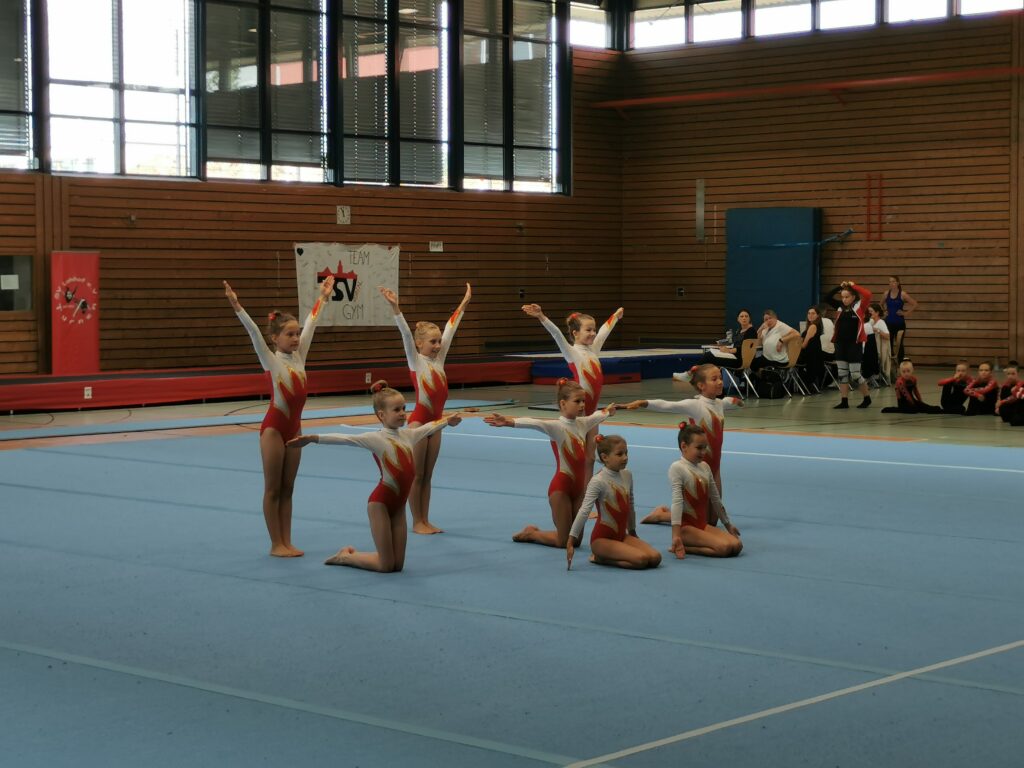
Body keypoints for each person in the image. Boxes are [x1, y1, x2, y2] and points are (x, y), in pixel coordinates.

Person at [288, 381, 462, 573]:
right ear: (381, 415)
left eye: (404, 408)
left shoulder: (409, 435)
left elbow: (429, 427)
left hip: (399, 508)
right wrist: (312, 438)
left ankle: (363, 556)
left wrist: (447, 421)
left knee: (397, 566)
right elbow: (344, 438)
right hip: (380, 504)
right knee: (385, 566)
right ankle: (346, 557)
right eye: (396, 410)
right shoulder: (375, 438)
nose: (402, 413)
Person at [224, 276, 334, 558]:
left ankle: (287, 540)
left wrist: (323, 297)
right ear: (275, 338)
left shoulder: (300, 356)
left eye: (297, 334)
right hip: (274, 429)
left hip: (294, 429)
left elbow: (312, 322)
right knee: (273, 489)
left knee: (288, 489)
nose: (296, 338)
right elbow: (253, 333)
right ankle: (276, 544)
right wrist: (237, 306)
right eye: (289, 334)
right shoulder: (271, 360)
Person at [378, 283, 472, 535]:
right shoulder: (416, 361)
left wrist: (464, 304)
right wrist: (396, 308)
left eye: (439, 341)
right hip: (420, 423)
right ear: (419, 344)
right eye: (433, 342)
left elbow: (451, 327)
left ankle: (425, 519)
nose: (438, 345)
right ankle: (416, 521)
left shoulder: (439, 360)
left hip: (437, 423)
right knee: (417, 475)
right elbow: (404, 334)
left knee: (428, 476)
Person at [483, 379, 614, 549]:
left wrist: (609, 411)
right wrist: (509, 422)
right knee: (563, 542)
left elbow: (597, 415)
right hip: (561, 489)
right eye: (577, 401)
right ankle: (531, 533)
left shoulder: (583, 423)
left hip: (579, 490)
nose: (582, 405)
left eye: (583, 401)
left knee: (575, 541)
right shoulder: (556, 427)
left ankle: (547, 533)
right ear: (563, 403)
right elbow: (535, 422)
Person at [621, 364, 741, 528]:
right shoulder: (695, 405)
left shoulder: (719, 403)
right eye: (714, 379)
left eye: (720, 378)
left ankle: (669, 515)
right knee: (701, 521)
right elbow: (667, 405)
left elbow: (727, 402)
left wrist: (736, 401)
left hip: (715, 469)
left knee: (712, 522)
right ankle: (661, 515)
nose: (720, 382)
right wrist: (643, 402)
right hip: (697, 468)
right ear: (701, 385)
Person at [565, 435, 661, 571]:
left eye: (626, 453)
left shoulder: (627, 475)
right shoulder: (598, 481)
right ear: (605, 457)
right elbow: (584, 511)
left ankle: (609, 555)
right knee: (641, 560)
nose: (625, 457)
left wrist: (632, 531)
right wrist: (571, 541)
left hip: (622, 536)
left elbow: (630, 505)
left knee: (655, 558)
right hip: (601, 540)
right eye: (619, 454)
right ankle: (600, 558)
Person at [659, 424, 742, 559]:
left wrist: (728, 524)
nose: (704, 452)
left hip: (701, 525)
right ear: (684, 446)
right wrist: (676, 535)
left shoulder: (705, 467)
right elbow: (677, 502)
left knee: (737, 545)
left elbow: (715, 499)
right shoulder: (677, 468)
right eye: (699, 448)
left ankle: (687, 543)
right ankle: (682, 545)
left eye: (705, 447)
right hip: (686, 528)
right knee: (724, 548)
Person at [676, 308, 758, 376]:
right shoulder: (739, 331)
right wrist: (723, 345)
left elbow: (744, 348)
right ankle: (696, 375)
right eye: (742, 316)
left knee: (709, 356)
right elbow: (733, 343)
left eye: (746, 316)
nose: (744, 318)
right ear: (738, 319)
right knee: (710, 354)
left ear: (749, 318)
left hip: (739, 361)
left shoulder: (751, 331)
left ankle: (690, 374)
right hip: (734, 357)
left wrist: (729, 351)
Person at [831, 281, 873, 409]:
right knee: (842, 373)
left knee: (855, 374)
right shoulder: (840, 307)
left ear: (853, 297)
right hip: (840, 344)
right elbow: (827, 298)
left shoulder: (859, 307)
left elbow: (868, 294)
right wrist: (839, 287)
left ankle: (867, 398)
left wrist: (853, 286)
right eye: (842, 297)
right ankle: (844, 401)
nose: (844, 299)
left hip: (854, 345)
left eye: (847, 296)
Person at [750, 309, 800, 374]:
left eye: (770, 318)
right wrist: (761, 328)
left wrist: (781, 340)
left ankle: (765, 375)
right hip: (767, 357)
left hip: (778, 360)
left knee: (762, 369)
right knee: (752, 364)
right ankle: (761, 376)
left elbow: (797, 334)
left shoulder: (780, 326)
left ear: (775, 318)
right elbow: (759, 343)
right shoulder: (766, 329)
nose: (768, 321)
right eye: (766, 320)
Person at [884, 275, 918, 362]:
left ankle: (900, 364)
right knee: (889, 344)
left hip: (899, 324)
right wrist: (884, 311)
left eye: (893, 281)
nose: (891, 283)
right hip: (888, 323)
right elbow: (880, 305)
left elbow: (915, 304)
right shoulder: (886, 294)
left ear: (898, 283)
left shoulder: (902, 294)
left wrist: (905, 313)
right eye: (890, 281)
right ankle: (890, 364)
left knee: (899, 344)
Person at [797, 306, 826, 391]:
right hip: (813, 355)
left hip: (810, 356)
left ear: (818, 315)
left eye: (813, 313)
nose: (810, 315)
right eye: (809, 313)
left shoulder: (813, 326)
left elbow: (804, 345)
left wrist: (794, 346)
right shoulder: (815, 325)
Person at [863, 303, 891, 385]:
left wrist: (877, 330)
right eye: (868, 311)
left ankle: (868, 376)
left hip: (879, 349)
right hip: (871, 348)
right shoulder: (870, 322)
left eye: (871, 311)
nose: (869, 313)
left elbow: (887, 336)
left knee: (866, 355)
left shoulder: (881, 322)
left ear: (877, 313)